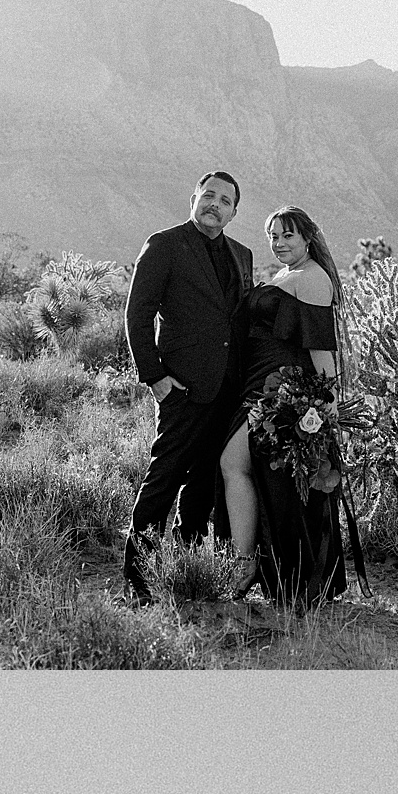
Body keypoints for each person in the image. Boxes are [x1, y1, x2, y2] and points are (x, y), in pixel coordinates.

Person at [121, 170, 255, 603]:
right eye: (209, 195)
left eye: (225, 200)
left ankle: (187, 570)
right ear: (193, 198)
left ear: (233, 212)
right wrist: (155, 378)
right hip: (180, 387)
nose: (215, 204)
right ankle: (138, 583)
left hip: (228, 389)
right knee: (164, 478)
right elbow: (137, 315)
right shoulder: (164, 245)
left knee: (204, 486)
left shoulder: (242, 254)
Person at [221, 204, 360, 610]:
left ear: (307, 238)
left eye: (287, 236)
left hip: (282, 392)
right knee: (265, 480)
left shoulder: (314, 278)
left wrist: (328, 405)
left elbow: (320, 346)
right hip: (257, 384)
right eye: (273, 237)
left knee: (238, 466)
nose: (279, 244)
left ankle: (249, 566)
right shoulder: (288, 274)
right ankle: (264, 572)